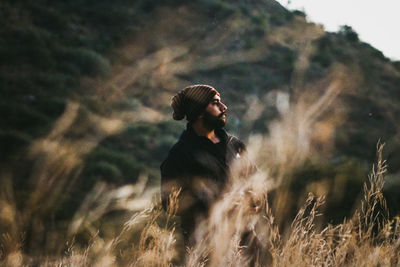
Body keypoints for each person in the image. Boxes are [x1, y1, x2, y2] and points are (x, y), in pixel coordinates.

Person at [160, 84, 255, 244]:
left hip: (245, 238)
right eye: (215, 103)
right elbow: (169, 204)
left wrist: (250, 199)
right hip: (205, 243)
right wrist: (216, 201)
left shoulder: (235, 144)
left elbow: (255, 180)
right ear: (198, 112)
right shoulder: (180, 154)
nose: (224, 107)